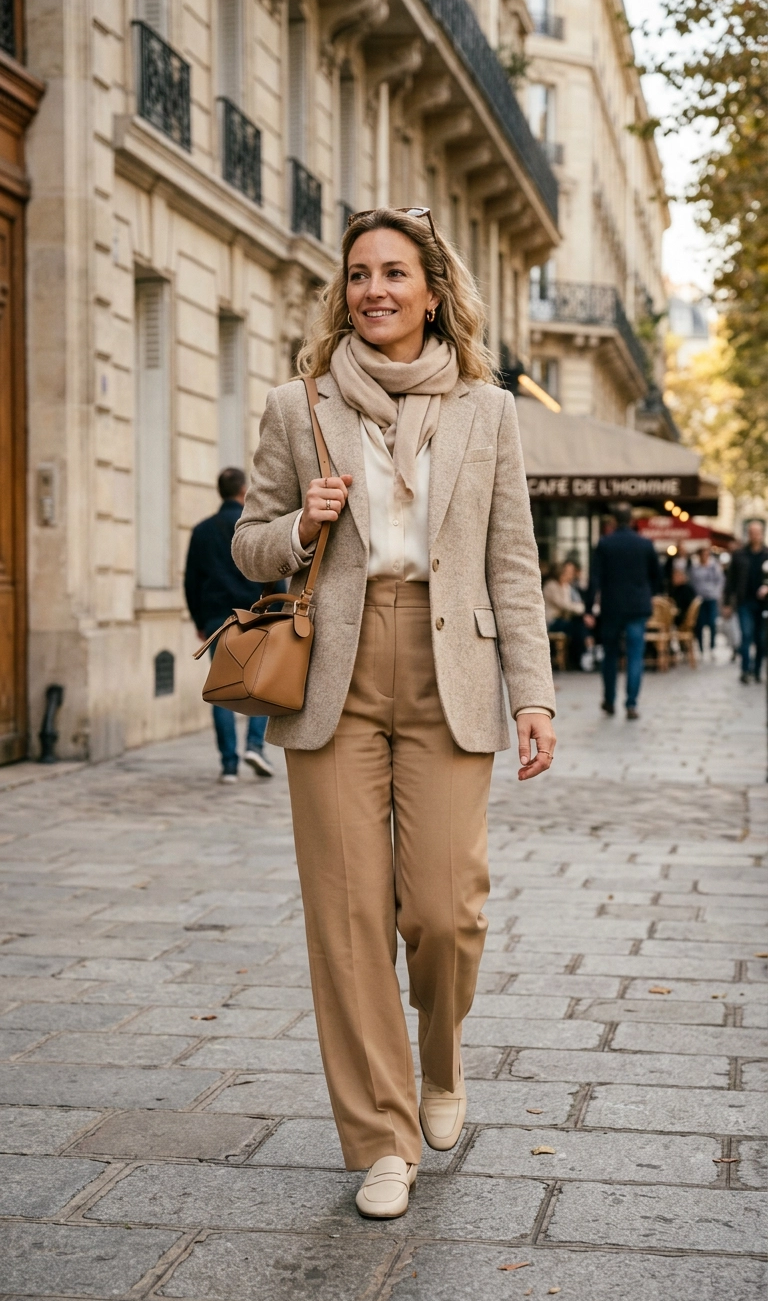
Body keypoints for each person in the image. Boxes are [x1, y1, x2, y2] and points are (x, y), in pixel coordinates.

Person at [232, 206, 556, 1220]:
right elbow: (244, 544)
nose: (374, 289)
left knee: (446, 909)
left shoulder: (485, 407)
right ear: (345, 289)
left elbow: (513, 560)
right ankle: (382, 1135)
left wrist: (534, 693)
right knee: (348, 914)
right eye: (359, 273)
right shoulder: (302, 403)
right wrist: (298, 524)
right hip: (333, 668)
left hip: (451, 664)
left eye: (394, 273)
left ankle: (442, 1062)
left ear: (431, 289)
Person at [184, 467, 278, 782]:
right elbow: (272, 569)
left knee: (221, 689)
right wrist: (276, 611)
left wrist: (200, 620)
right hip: (254, 615)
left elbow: (191, 580)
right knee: (260, 684)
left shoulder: (202, 530)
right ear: (243, 492)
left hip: (216, 620)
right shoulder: (254, 530)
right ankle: (254, 745)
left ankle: (228, 765)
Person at [591, 502, 662, 720]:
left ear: (613, 520)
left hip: (612, 607)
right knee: (635, 656)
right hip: (637, 607)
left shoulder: (605, 544)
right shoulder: (645, 544)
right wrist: (648, 593)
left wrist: (588, 608)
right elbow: (658, 578)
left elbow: (595, 579)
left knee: (610, 655)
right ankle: (631, 703)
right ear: (632, 520)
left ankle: (609, 700)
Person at [723, 519, 768, 683]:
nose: (755, 536)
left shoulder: (767, 554)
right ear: (748, 534)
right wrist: (727, 603)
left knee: (761, 639)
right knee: (746, 635)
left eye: (757, 532)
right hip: (744, 602)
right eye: (752, 533)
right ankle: (745, 671)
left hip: (763, 604)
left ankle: (757, 671)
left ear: (762, 534)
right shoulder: (739, 554)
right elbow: (730, 581)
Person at [543, 559, 589, 668]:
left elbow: (571, 605)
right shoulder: (551, 586)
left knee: (579, 624)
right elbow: (564, 605)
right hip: (552, 621)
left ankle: (582, 655)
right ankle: (583, 654)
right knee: (577, 626)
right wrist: (583, 609)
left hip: (563, 619)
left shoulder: (566, 587)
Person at [690, 543, 724, 653]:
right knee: (699, 623)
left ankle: (712, 646)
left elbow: (720, 581)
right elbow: (692, 582)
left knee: (712, 623)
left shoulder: (714, 566)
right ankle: (701, 647)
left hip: (712, 598)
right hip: (699, 599)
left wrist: (716, 592)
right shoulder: (695, 568)